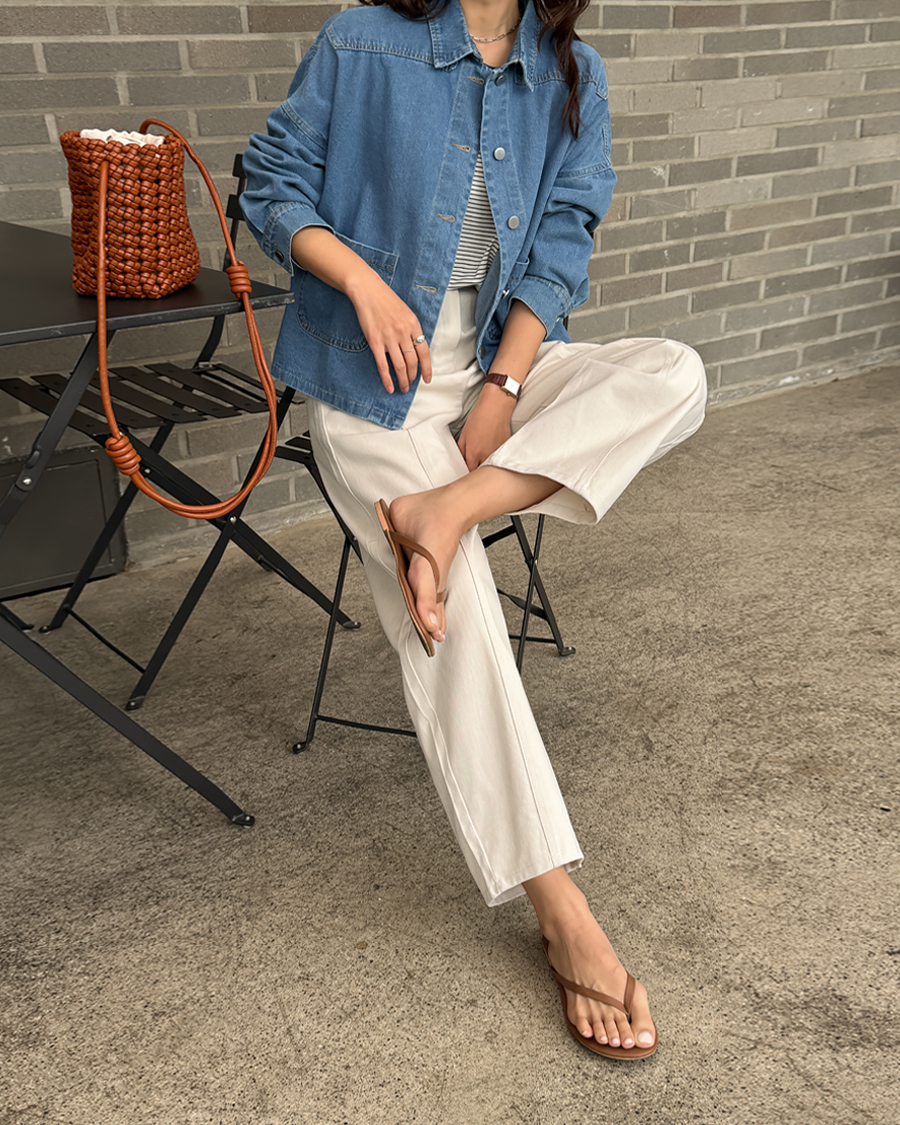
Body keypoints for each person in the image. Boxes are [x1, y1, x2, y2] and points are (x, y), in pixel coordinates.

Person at [242, 0, 706, 1060]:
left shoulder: (571, 72)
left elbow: (562, 239)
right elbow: (270, 185)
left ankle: (448, 507)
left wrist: (501, 388)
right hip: (374, 386)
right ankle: (561, 909)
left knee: (675, 374)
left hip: (501, 369)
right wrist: (361, 283)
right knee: (456, 611)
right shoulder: (361, 39)